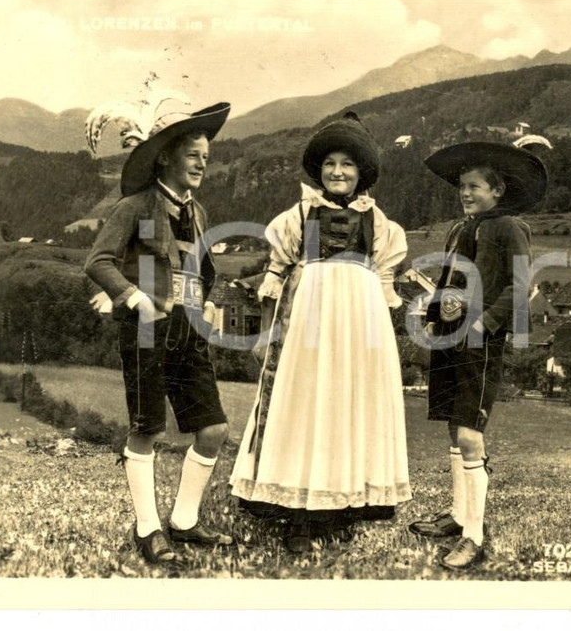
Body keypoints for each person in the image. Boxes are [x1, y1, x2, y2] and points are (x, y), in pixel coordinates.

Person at [230, 112, 411, 554]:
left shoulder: (380, 223)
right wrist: (263, 338)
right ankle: (297, 517)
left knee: (349, 407)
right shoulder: (298, 216)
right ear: (319, 170)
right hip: (308, 323)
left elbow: (385, 285)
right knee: (305, 405)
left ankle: (340, 508)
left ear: (361, 172)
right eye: (330, 163)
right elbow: (273, 279)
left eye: (347, 164)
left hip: (360, 324)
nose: (337, 172)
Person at [84, 97, 234, 566]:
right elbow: (98, 261)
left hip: (189, 333)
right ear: (165, 156)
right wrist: (133, 298)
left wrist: (208, 300)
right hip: (146, 333)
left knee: (213, 429)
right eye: (193, 155)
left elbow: (206, 267)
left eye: (206, 158)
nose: (201, 164)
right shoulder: (134, 206)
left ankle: (184, 522)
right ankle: (148, 529)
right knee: (147, 427)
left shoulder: (200, 212)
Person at [408, 141, 547, 570]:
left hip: (480, 342)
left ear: (498, 190)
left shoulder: (509, 228)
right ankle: (457, 514)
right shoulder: (460, 229)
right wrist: (434, 317)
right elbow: (450, 279)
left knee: (470, 432)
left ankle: (473, 535)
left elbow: (519, 288)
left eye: (475, 186)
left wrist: (485, 324)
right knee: (454, 425)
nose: (466, 193)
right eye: (462, 187)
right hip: (450, 337)